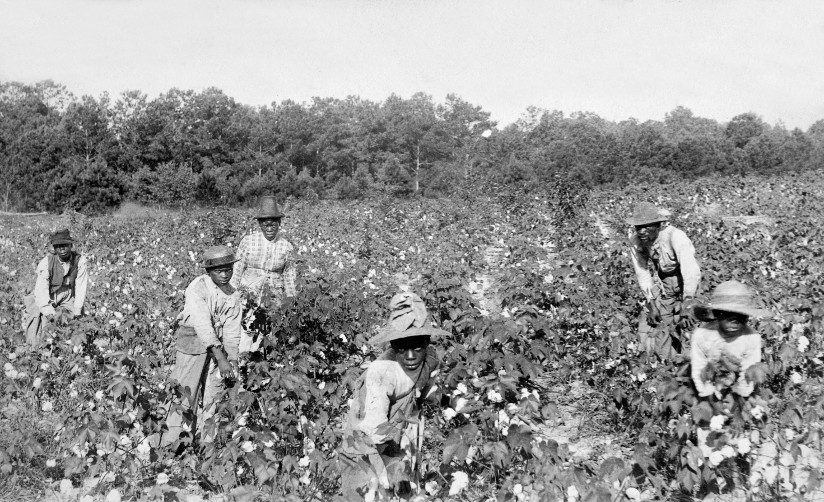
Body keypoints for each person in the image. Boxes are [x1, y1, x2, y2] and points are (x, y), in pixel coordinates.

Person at [338, 292, 447, 501]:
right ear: (392, 345)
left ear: (427, 342)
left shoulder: (431, 359)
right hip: (367, 438)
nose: (410, 356)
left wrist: (452, 404)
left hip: (399, 433)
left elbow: (427, 389)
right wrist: (394, 467)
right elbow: (374, 425)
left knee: (404, 489)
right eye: (401, 348)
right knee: (366, 489)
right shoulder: (383, 372)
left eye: (417, 347)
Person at [160, 245, 242, 447]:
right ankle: (173, 444)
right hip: (193, 342)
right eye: (218, 271)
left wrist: (231, 359)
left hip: (219, 347)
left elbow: (232, 331)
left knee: (213, 395)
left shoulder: (232, 294)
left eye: (228, 270)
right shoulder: (197, 288)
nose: (224, 275)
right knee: (186, 392)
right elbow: (203, 325)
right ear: (208, 272)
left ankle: (207, 444)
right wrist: (221, 358)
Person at [627, 202, 701, 352]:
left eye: (646, 226)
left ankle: (693, 361)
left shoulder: (675, 236)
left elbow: (690, 271)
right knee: (663, 324)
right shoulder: (636, 242)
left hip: (687, 281)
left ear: (658, 225)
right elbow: (642, 272)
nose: (641, 231)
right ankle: (669, 362)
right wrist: (652, 303)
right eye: (638, 227)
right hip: (665, 282)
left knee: (689, 323)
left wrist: (688, 302)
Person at [231, 196, 297, 353]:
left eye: (273, 222)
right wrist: (232, 296)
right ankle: (244, 362)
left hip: (274, 296)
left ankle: (268, 364)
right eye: (265, 223)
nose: (269, 226)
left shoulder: (286, 246)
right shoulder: (248, 241)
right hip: (249, 295)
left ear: (279, 223)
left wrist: (291, 304)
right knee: (247, 328)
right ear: (259, 224)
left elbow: (289, 278)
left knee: (271, 331)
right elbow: (237, 271)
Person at [690, 280, 769, 398]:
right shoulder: (703, 335)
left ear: (748, 316)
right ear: (717, 314)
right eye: (728, 316)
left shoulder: (751, 338)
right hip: (709, 386)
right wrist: (709, 396)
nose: (735, 321)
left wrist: (737, 397)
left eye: (741, 316)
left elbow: (748, 375)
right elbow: (698, 369)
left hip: (739, 389)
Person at [23, 229, 88, 349]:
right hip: (48, 293)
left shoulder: (80, 261)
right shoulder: (46, 263)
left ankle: (69, 348)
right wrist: (48, 312)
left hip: (68, 294)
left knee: (72, 321)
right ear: (54, 248)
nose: (62, 249)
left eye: (65, 245)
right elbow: (41, 291)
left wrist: (78, 311)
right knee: (38, 320)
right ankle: (35, 349)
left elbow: (80, 286)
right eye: (58, 246)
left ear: (71, 245)